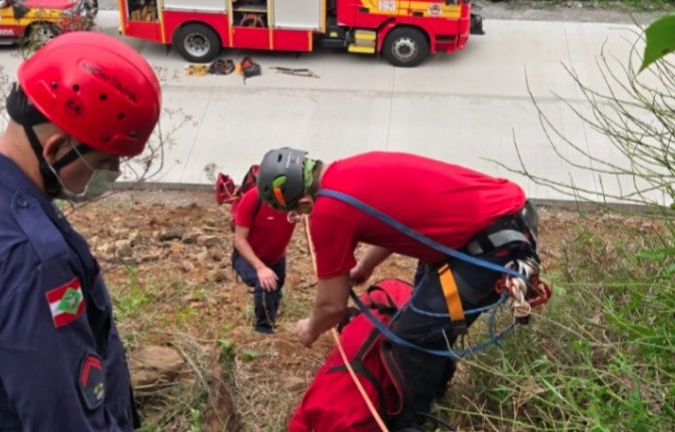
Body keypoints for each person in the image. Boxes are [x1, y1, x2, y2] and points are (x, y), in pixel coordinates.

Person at [0, 31, 162, 431]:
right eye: (107, 161)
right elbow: (65, 419)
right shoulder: (34, 266)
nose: (111, 175)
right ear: (57, 149)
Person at [257, 148, 541, 432]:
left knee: (411, 340)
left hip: (491, 246)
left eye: (299, 212)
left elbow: (332, 308)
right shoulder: (350, 168)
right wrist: (366, 265)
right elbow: (398, 220)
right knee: (428, 317)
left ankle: (413, 423)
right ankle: (436, 382)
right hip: (504, 215)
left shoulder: (329, 211)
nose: (303, 215)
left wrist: (310, 328)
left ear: (305, 200)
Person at [230, 177, 296, 333]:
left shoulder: (295, 198)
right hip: (247, 257)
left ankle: (273, 305)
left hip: (276, 258)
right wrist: (260, 268)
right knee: (265, 284)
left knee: (275, 287)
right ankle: (263, 332)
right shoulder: (253, 198)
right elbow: (239, 240)